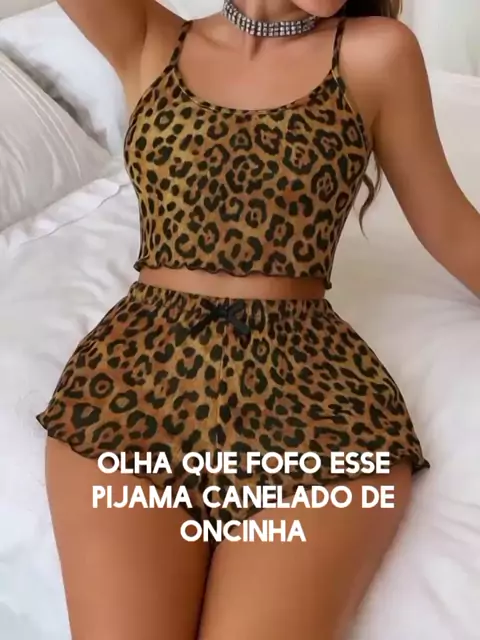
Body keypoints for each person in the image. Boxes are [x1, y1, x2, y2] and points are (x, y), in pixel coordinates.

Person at [36, 1, 480, 638]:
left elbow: (456, 231)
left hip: (315, 410)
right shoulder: (151, 38)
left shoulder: (376, 53)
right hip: (133, 389)